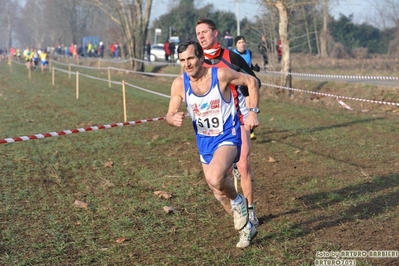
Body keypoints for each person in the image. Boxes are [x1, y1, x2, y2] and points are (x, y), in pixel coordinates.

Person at [166, 40, 259, 248]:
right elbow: (169, 113)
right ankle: (246, 228)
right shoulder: (179, 84)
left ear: (200, 57)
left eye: (190, 58)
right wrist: (172, 118)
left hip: (228, 135)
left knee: (215, 176)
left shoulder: (221, 75)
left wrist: (253, 111)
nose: (187, 64)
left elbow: (251, 82)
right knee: (218, 193)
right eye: (182, 60)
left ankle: (239, 202)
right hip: (205, 142)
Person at [196, 17, 260, 229]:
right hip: (213, 127)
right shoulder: (196, 63)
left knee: (243, 165)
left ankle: (250, 211)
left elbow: (254, 82)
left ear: (216, 34)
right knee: (216, 180)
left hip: (238, 118)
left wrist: (252, 111)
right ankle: (238, 212)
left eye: (205, 32)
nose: (201, 36)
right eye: (198, 34)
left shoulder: (232, 57)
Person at [233, 35, 260, 141]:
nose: (242, 44)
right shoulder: (233, 55)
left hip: (250, 83)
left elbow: (247, 65)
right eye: (239, 42)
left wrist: (254, 68)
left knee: (250, 106)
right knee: (243, 107)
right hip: (238, 83)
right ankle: (243, 129)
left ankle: (250, 130)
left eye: (243, 42)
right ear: (236, 45)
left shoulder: (249, 53)